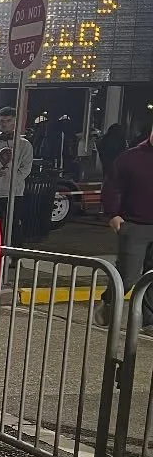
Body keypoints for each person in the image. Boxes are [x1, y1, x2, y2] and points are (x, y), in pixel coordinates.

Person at [99, 128, 153, 332]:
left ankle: (149, 320)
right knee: (128, 275)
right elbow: (112, 186)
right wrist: (112, 214)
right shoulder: (130, 158)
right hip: (134, 225)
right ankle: (109, 301)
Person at [0, 106, 33, 244]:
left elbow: (26, 168)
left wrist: (11, 179)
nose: (4, 124)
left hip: (14, 193)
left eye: (8, 120)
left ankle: (15, 256)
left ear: (15, 122)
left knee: (14, 225)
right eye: (2, 121)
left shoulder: (24, 145)